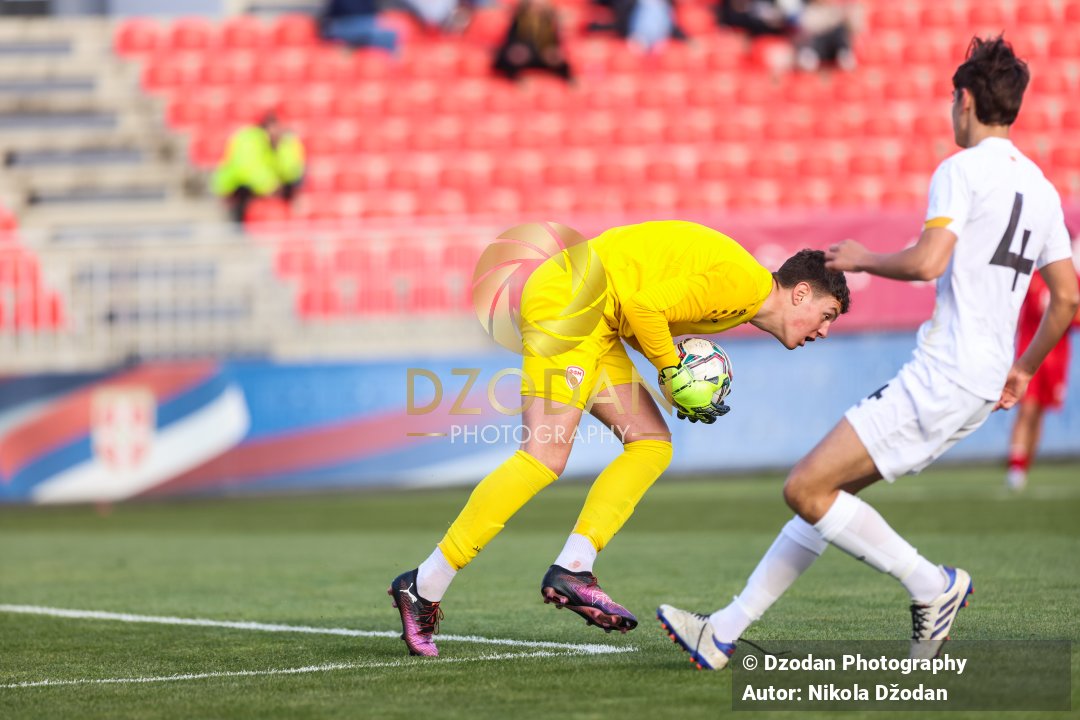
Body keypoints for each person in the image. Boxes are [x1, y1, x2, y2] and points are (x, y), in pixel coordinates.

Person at [658, 35, 1080, 670]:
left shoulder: (960, 171)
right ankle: (721, 633)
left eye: (951, 100)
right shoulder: (1042, 191)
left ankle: (932, 585)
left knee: (805, 487)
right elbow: (1068, 300)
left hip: (946, 375)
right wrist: (1021, 369)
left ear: (964, 101)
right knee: (829, 494)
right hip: (981, 382)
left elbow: (930, 260)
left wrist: (864, 260)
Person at [389, 220, 851, 657]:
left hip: (597, 317)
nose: (824, 331)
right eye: (826, 315)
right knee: (543, 457)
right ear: (802, 292)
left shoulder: (744, 299)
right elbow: (642, 307)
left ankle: (573, 567)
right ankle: (424, 585)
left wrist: (672, 374)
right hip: (571, 304)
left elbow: (636, 308)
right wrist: (672, 370)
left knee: (651, 442)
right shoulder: (744, 286)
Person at [1005, 236, 1080, 490]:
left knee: (1039, 415)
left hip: (1057, 358)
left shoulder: (1073, 280)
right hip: (1030, 354)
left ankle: (1025, 468)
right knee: (1026, 408)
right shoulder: (1032, 277)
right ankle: (1015, 469)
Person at [212, 113, 305, 225]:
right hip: (236, 188)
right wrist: (270, 185)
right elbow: (247, 167)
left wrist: (284, 147)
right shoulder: (249, 139)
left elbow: (292, 171)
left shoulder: (283, 142)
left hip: (260, 188)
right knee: (236, 220)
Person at [493, 0, 573, 82]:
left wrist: (553, 52)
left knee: (560, 61)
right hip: (523, 54)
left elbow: (555, 43)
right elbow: (510, 41)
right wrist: (517, 50)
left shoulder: (549, 22)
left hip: (542, 56)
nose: (536, 8)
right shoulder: (518, 20)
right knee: (511, 57)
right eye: (533, 5)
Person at [320, 0, 399, 52]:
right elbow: (327, 20)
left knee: (388, 35)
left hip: (365, 27)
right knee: (383, 35)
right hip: (344, 27)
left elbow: (374, 15)